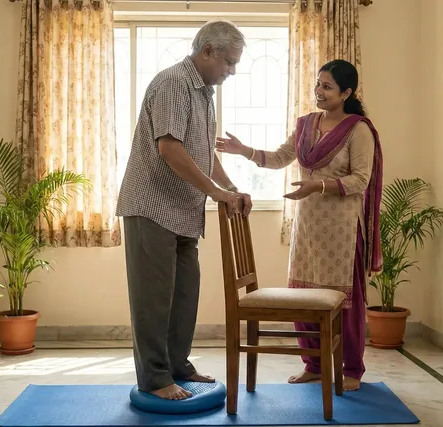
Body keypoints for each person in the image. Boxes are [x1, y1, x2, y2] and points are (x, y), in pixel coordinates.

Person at [215, 59, 383, 392]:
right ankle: (315, 365)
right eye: (317, 84)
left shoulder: (358, 129)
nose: (318, 92)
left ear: (347, 92)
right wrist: (242, 150)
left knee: (345, 301)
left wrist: (317, 186)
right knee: (303, 295)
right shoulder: (306, 124)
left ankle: (351, 369)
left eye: (327, 86)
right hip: (308, 227)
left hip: (344, 229)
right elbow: (280, 157)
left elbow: (361, 180)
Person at [115, 20, 253, 401]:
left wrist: (229, 189)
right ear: (207, 51)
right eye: (229, 61)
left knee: (184, 296)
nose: (232, 70)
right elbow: (170, 149)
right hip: (152, 206)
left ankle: (177, 364)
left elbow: (203, 153)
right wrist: (217, 194)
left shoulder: (203, 92)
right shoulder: (174, 82)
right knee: (153, 299)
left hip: (183, 212)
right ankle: (155, 378)